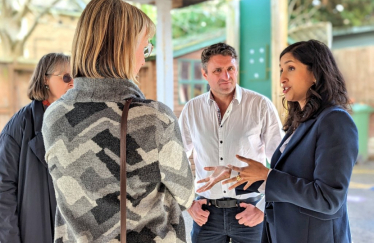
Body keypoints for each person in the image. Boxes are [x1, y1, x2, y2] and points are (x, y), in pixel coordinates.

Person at [42, 0, 195, 242]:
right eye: (145, 49)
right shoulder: (154, 118)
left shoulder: (54, 115)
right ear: (123, 49)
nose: (144, 60)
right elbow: (186, 194)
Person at [197, 40, 359, 243]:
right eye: (281, 69)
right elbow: (289, 178)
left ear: (315, 72)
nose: (282, 77)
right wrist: (236, 174)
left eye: (291, 68)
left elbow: (328, 198)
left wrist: (267, 176)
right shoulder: (300, 122)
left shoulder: (335, 121)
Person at [178, 42, 284, 243]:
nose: (226, 76)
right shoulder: (192, 109)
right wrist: (189, 201)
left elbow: (281, 161)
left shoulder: (260, 105)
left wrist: (264, 209)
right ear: (205, 74)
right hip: (206, 214)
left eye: (230, 69)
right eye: (217, 70)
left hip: (250, 210)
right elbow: (177, 157)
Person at [0, 53, 73, 243]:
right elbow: (3, 188)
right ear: (45, 79)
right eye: (66, 77)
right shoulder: (19, 126)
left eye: (76, 77)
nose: (72, 83)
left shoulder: (80, 122)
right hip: (34, 232)